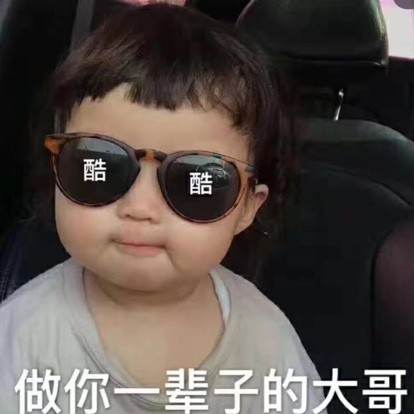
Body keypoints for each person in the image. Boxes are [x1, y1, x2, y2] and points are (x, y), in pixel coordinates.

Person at [0, 4, 327, 413]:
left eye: (194, 181)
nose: (140, 208)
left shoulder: (266, 338)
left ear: (247, 206)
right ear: (56, 172)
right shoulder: (23, 334)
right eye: (100, 166)